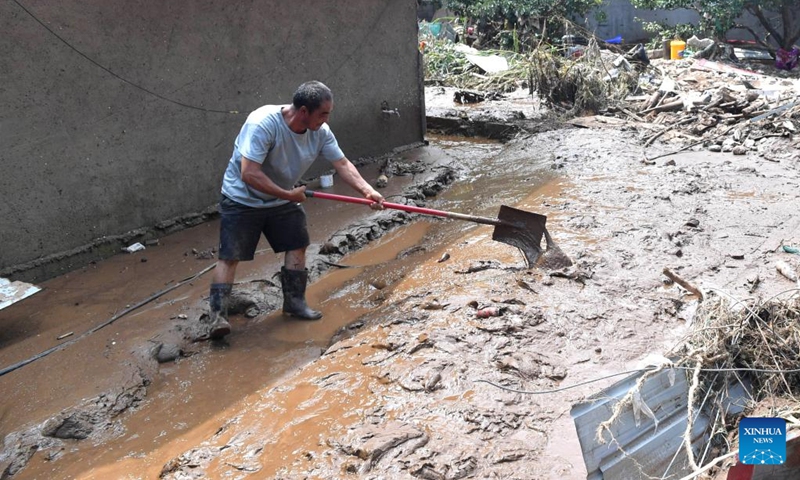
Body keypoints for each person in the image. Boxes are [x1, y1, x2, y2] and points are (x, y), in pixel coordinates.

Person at [202, 80, 384, 340]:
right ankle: (217, 317)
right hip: (243, 198)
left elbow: (342, 163)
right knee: (230, 256)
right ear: (303, 112)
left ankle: (295, 302)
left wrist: (367, 191)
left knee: (298, 244)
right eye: (323, 113)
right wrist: (289, 194)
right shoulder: (262, 124)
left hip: (283, 196)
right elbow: (249, 173)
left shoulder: (321, 132)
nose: (326, 119)